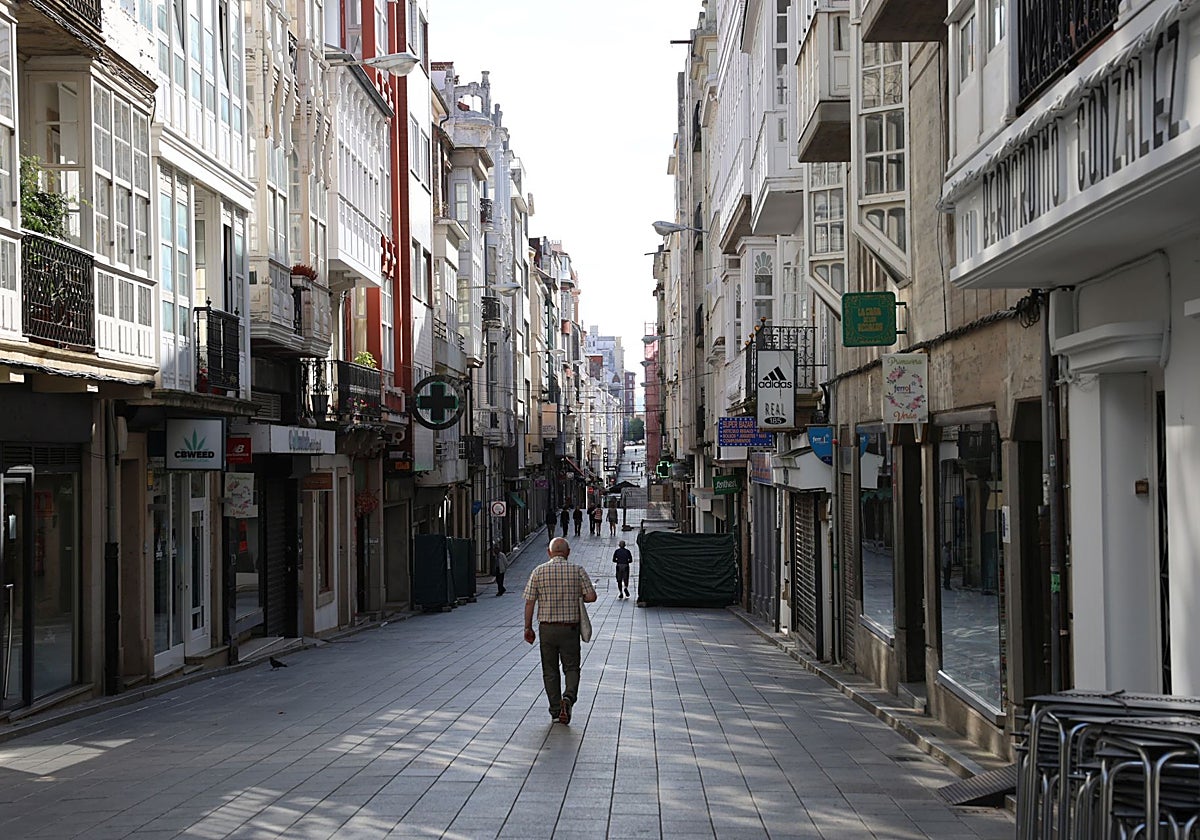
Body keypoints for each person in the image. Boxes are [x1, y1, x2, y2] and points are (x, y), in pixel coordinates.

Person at [523, 537, 597, 724]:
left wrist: (527, 627)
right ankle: (568, 698)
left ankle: (556, 710)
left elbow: (530, 601)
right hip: (569, 629)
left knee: (550, 670)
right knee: (571, 667)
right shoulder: (577, 570)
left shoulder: (538, 571)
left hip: (547, 629)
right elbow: (591, 596)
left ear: (549, 552)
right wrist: (576, 596)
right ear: (568, 552)